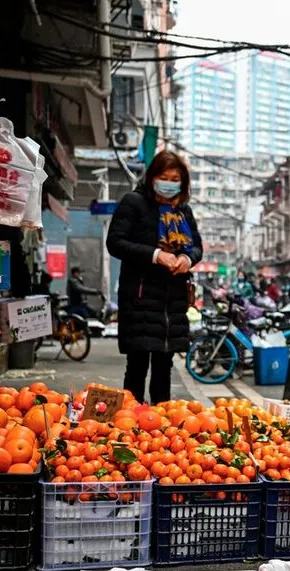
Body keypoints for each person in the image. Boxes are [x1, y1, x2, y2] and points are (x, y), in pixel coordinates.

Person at [106, 150, 203, 404]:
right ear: (151, 177)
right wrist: (156, 255)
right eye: (163, 176)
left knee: (164, 365)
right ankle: (131, 423)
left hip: (172, 300)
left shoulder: (183, 210)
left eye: (175, 178)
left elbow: (196, 247)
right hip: (140, 297)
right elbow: (115, 242)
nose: (169, 183)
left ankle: (160, 426)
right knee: (137, 364)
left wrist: (186, 259)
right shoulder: (133, 203)